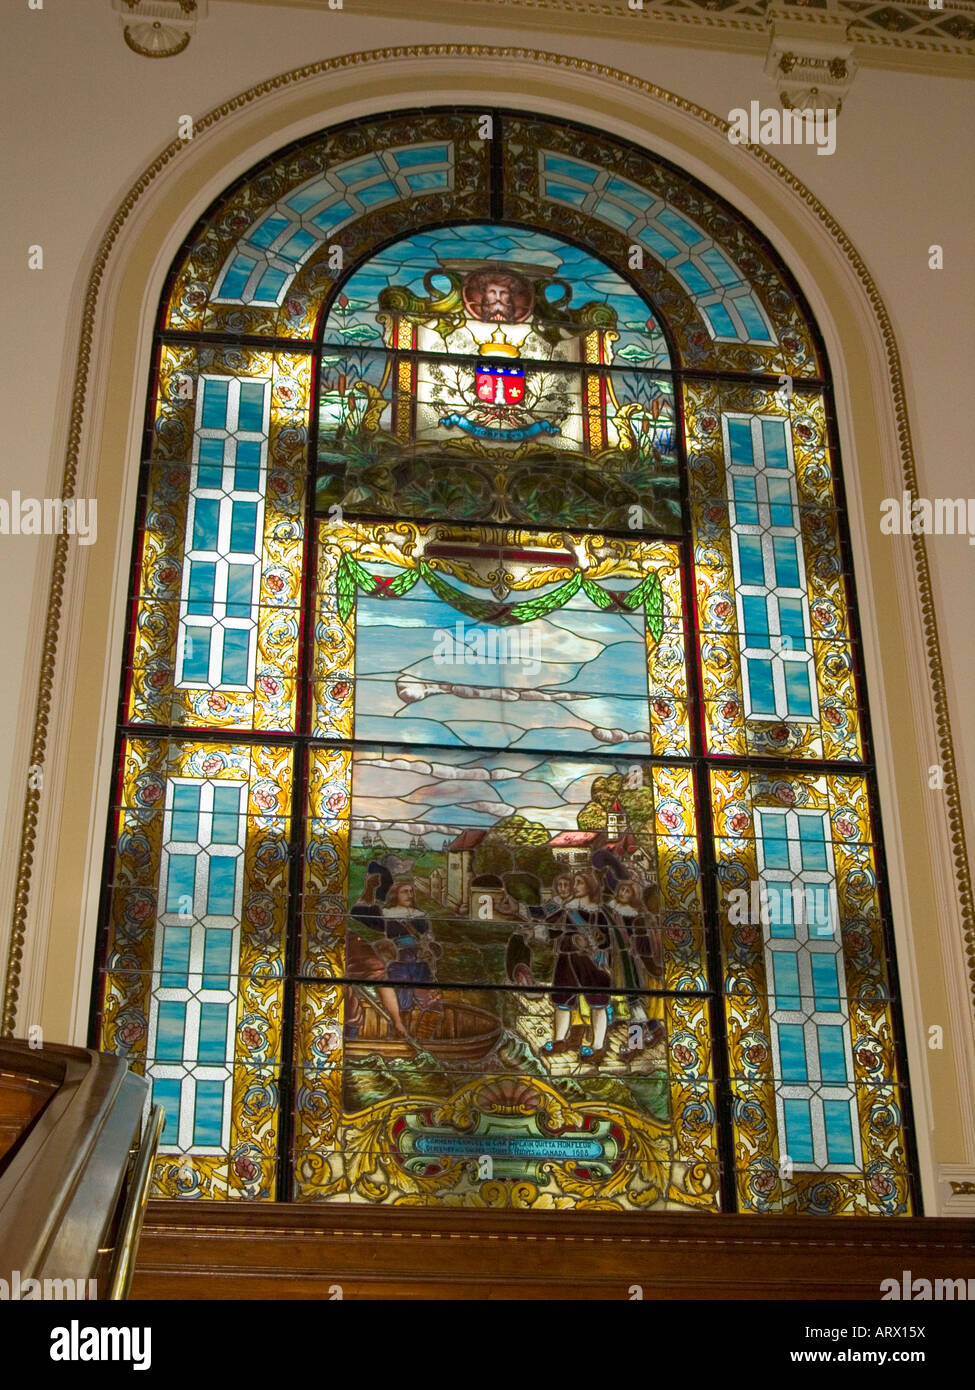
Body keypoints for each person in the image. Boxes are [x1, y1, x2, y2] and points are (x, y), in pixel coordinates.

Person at [545, 870, 613, 1064]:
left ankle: (597, 1047)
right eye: (574, 882)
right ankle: (558, 1040)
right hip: (567, 957)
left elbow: (607, 940)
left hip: (592, 962)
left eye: (580, 882)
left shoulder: (599, 913)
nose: (575, 886)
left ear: (590, 886)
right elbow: (554, 930)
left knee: (598, 1002)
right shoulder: (568, 909)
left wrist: (594, 942)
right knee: (562, 1000)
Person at [612, 879, 666, 1060]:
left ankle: (638, 1041)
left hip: (639, 968)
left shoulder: (641, 918)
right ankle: (651, 1031)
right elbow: (642, 951)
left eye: (628, 891)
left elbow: (643, 949)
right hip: (630, 967)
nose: (623, 893)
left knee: (635, 1005)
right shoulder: (636, 918)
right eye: (621, 889)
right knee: (635, 1005)